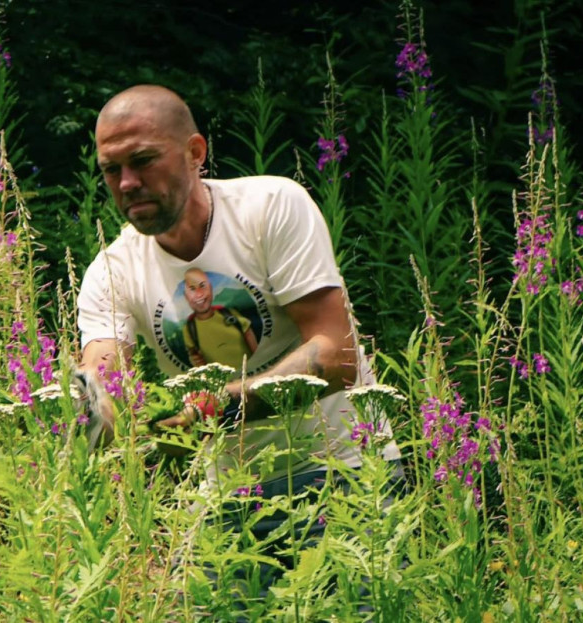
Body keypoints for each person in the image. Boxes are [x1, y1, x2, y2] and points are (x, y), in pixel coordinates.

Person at [75, 84, 402, 589]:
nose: (127, 183)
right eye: (111, 170)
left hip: (345, 474)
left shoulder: (270, 208)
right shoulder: (111, 271)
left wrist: (202, 414)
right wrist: (101, 408)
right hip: (230, 496)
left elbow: (336, 355)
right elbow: (105, 375)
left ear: (195, 153)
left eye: (143, 161)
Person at [181, 267, 258, 368]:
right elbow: (195, 357)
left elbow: (254, 347)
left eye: (203, 286)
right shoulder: (189, 328)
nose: (199, 294)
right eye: (192, 289)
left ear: (211, 289)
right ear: (186, 296)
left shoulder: (229, 313)